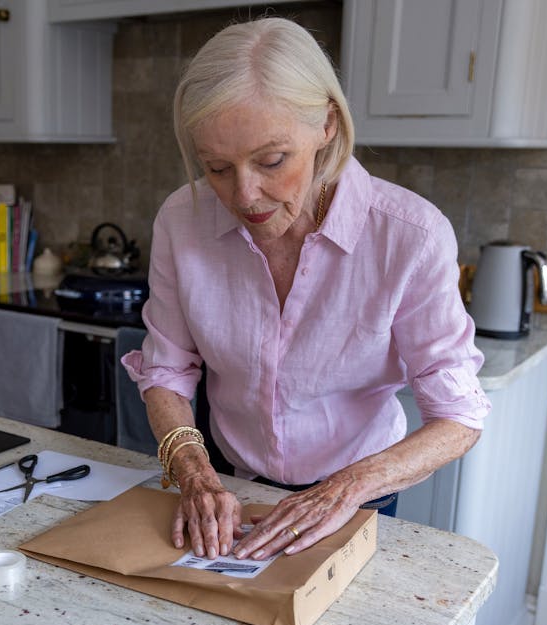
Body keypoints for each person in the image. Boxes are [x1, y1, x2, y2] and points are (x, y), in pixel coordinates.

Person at [121, 17, 491, 562]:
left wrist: (342, 491)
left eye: (272, 161)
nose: (245, 195)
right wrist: (195, 475)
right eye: (217, 167)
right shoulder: (183, 219)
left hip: (357, 495)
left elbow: (459, 415)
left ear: (328, 126)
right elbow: (167, 369)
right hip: (228, 482)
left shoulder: (411, 235)